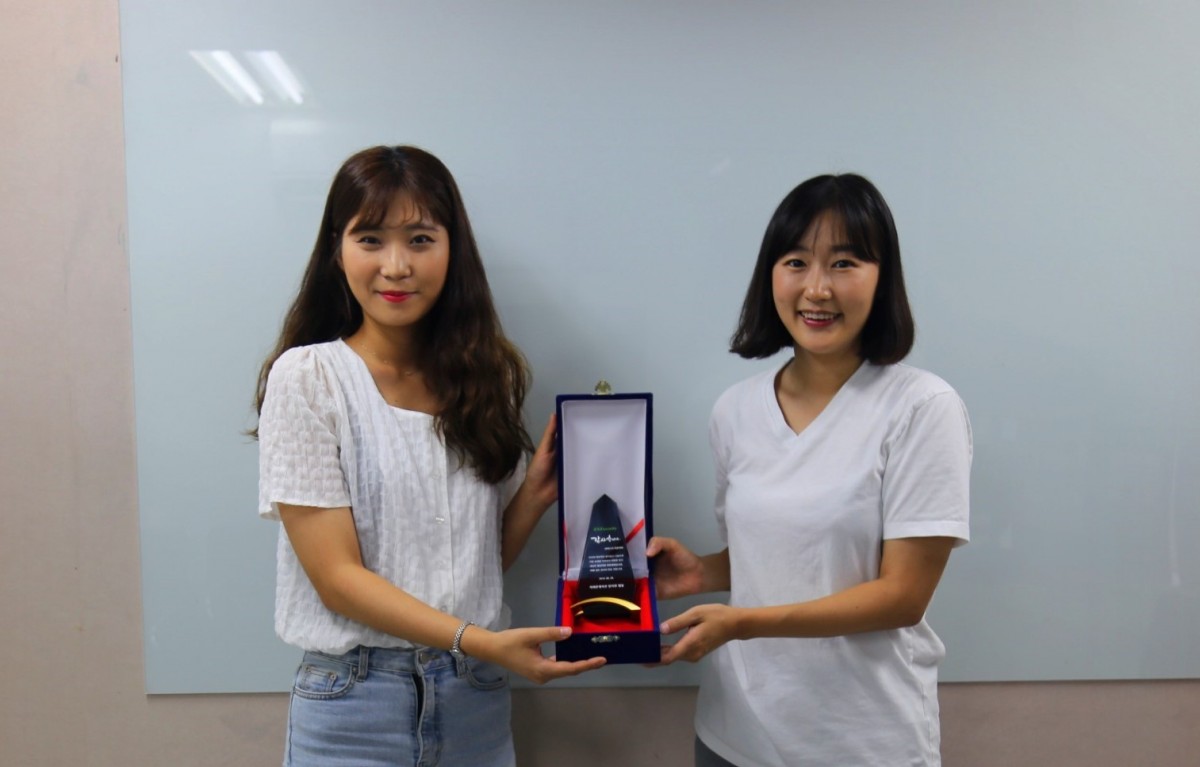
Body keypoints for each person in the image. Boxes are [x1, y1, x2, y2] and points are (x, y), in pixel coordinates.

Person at [253, 145, 605, 766]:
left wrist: (534, 495)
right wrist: (481, 642)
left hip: (475, 702)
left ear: (452, 249)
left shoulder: (487, 377)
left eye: (420, 239)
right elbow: (337, 580)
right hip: (355, 705)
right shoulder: (308, 377)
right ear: (337, 250)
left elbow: (473, 566)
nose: (396, 267)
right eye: (370, 239)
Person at [648, 174, 972, 766]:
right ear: (770, 275)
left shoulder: (922, 407)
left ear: (882, 279)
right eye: (796, 262)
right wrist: (702, 572)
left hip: (861, 743)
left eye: (844, 263)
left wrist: (743, 623)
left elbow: (902, 596)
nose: (817, 289)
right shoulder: (734, 410)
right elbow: (785, 555)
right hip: (733, 735)